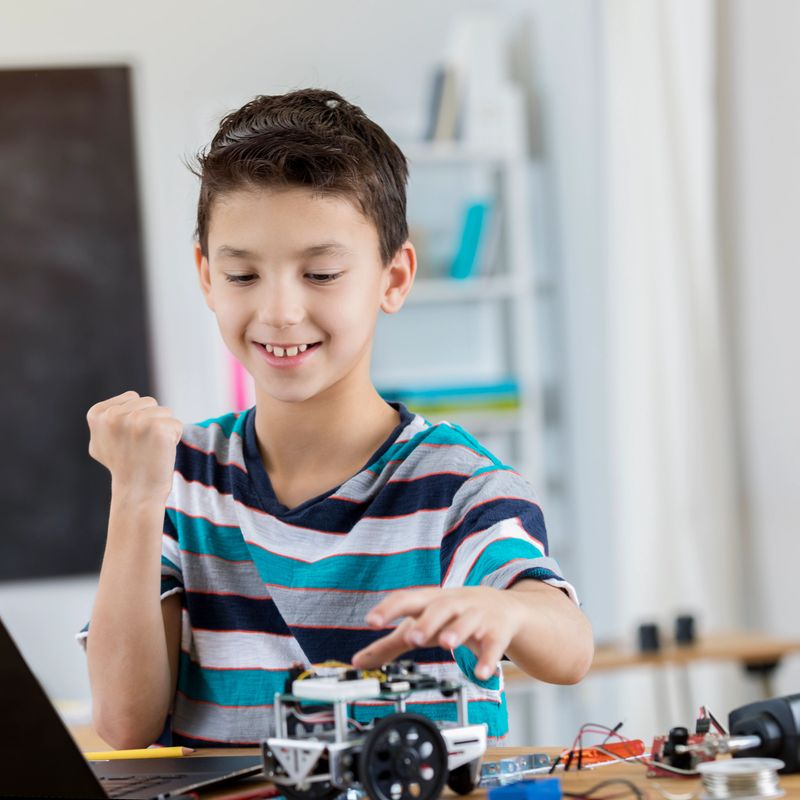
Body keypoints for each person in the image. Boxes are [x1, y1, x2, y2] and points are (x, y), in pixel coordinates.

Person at [80, 88, 593, 750]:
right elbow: (124, 724)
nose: (281, 311)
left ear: (394, 277)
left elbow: (570, 646)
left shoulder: (456, 484)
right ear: (206, 275)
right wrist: (135, 495)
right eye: (243, 276)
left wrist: (506, 609)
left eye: (320, 273)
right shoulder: (182, 477)